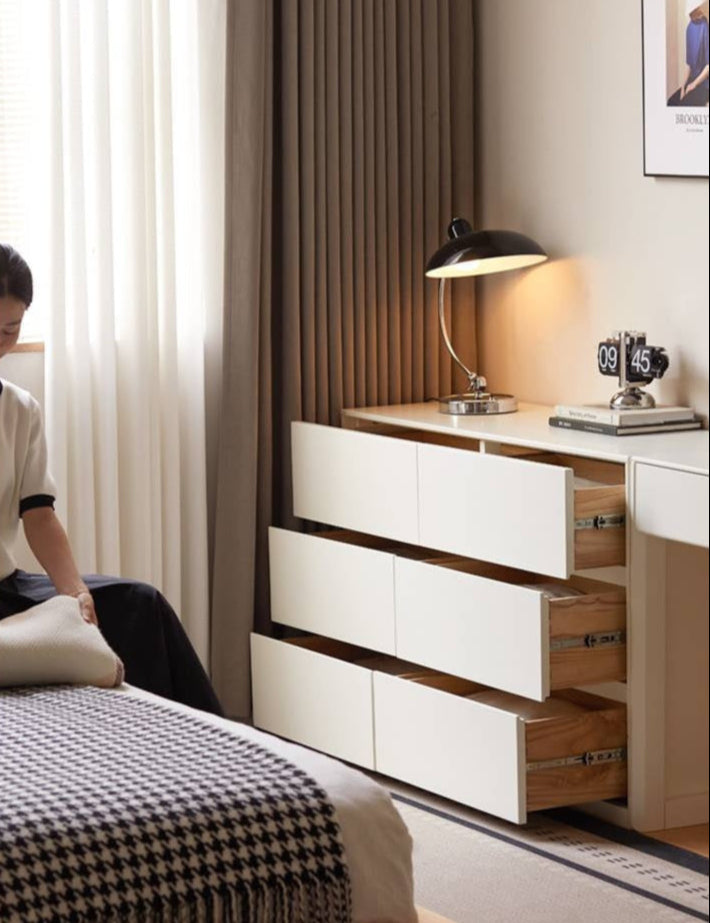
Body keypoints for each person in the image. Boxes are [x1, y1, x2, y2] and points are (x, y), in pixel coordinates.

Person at [1, 243, 223, 715]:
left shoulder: (18, 409)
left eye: (9, 329)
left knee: (141, 604)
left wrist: (75, 594)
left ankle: (200, 744)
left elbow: (38, 514)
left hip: (5, 589)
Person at [667, 1, 710, 107]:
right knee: (671, 102)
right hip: (692, 80)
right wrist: (683, 86)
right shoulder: (689, 28)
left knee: (684, 105)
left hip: (704, 84)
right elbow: (689, 64)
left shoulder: (705, 26)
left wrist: (693, 85)